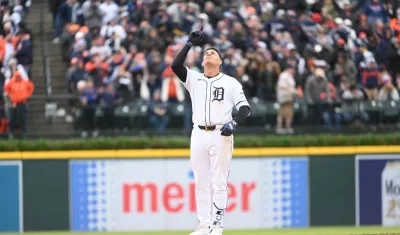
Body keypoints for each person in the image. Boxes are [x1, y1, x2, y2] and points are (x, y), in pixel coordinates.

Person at [171, 28, 251, 235]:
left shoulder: (230, 83)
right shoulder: (194, 79)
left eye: (213, 53)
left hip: (220, 133)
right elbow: (175, 65)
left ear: (220, 62)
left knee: (218, 181)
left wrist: (233, 123)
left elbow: (245, 109)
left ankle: (217, 226)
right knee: (200, 181)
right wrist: (189, 43)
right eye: (206, 52)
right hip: (198, 133)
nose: (208, 54)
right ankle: (204, 224)